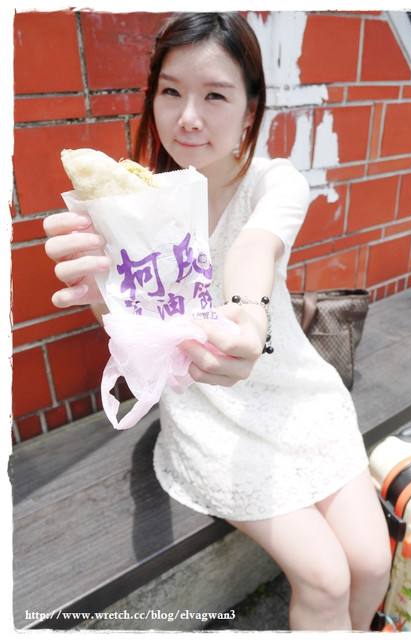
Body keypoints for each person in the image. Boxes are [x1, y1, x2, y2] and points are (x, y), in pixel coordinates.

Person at [44, 12, 391, 631]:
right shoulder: (128, 205)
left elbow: (253, 248)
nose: (188, 117)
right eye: (171, 91)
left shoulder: (274, 182)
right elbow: (133, 331)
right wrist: (96, 286)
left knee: (371, 563)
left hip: (297, 394)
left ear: (250, 111)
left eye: (215, 95)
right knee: (326, 579)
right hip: (209, 412)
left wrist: (249, 320)